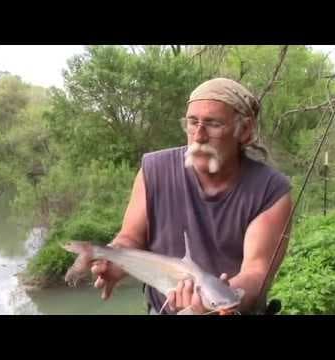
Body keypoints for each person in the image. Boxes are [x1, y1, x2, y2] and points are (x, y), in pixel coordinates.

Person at [90, 78, 293, 315]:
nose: (198, 136)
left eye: (213, 124)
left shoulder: (270, 189)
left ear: (245, 130)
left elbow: (257, 272)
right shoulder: (154, 170)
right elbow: (130, 237)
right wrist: (116, 259)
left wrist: (214, 300)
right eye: (192, 122)